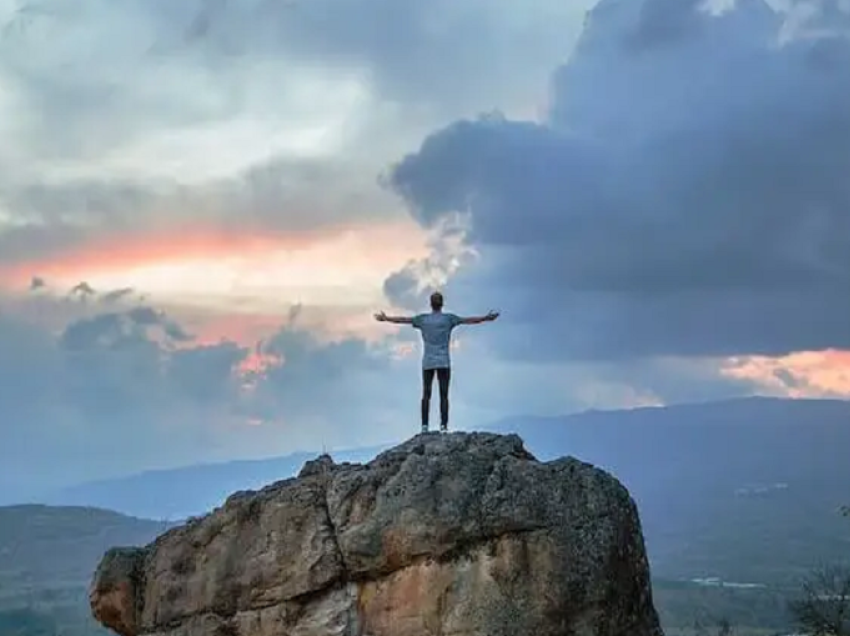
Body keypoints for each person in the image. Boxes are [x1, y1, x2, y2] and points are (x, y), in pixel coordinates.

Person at [374, 291, 499, 433]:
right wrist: (486, 318)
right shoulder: (449, 319)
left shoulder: (423, 319)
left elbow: (403, 320)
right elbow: (469, 320)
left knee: (426, 394)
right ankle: (444, 426)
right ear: (442, 304)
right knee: (444, 395)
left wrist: (386, 318)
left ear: (430, 304)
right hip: (444, 362)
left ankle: (424, 426)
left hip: (428, 362)